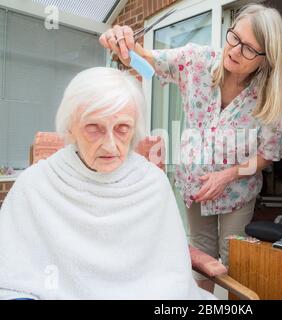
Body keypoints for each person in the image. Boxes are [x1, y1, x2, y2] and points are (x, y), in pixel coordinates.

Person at [99, 3, 282, 293]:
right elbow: (146, 62)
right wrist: (125, 45)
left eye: (249, 48)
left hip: (237, 193)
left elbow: (267, 154)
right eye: (234, 37)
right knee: (201, 255)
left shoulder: (268, 98)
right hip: (194, 185)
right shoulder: (197, 60)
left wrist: (227, 176)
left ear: (266, 59)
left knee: (234, 258)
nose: (235, 50)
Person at [0, 67, 215, 300]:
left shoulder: (153, 184)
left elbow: (170, 276)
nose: (110, 145)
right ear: (69, 127)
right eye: (94, 128)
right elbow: (14, 279)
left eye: (123, 129)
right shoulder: (34, 185)